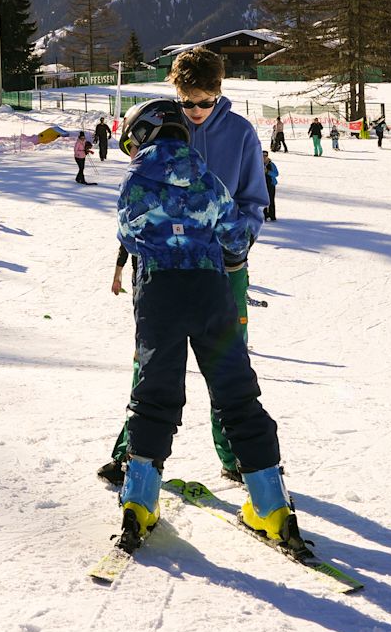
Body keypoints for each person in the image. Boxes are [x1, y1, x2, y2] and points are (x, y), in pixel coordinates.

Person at [102, 100, 302, 553]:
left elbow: (129, 234)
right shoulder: (207, 177)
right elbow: (235, 235)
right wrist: (217, 250)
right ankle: (272, 505)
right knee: (235, 392)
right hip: (211, 290)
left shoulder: (135, 177)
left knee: (155, 391)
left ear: (144, 134)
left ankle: (139, 501)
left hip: (159, 293)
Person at [101, 47, 268, 488]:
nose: (195, 111)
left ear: (219, 92)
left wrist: (238, 246)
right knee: (152, 359)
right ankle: (131, 455)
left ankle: (236, 456)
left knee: (227, 360)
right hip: (161, 264)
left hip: (224, 266)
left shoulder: (240, 133)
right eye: (187, 101)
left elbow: (254, 201)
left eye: (205, 102)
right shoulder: (163, 126)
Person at [262, 151, 279, 221]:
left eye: (265, 155)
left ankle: (272, 216)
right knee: (263, 200)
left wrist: (268, 172)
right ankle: (265, 215)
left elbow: (276, 174)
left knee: (271, 200)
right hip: (262, 185)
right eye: (263, 155)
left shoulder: (271, 164)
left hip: (271, 184)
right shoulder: (258, 164)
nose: (264, 157)